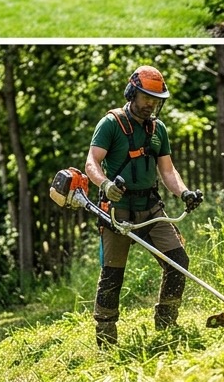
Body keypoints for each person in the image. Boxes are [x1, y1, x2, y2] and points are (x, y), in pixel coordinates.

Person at [83, 65, 205, 347]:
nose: (151, 103)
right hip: (117, 210)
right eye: (146, 97)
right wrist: (105, 185)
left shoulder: (158, 129)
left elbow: (168, 170)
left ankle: (166, 323)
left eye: (156, 99)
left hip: (150, 207)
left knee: (178, 262)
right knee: (113, 275)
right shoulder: (111, 123)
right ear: (132, 92)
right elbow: (92, 162)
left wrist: (184, 192)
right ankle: (106, 340)